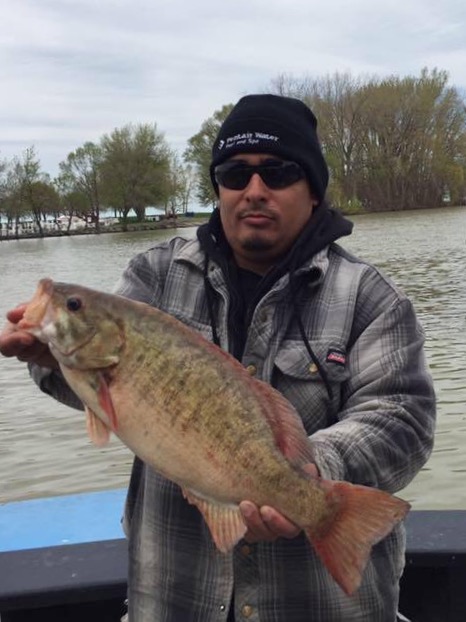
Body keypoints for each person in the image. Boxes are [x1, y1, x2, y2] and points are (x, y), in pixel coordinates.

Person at [0, 94, 436, 621]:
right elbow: (101, 391)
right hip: (176, 600)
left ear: (314, 192)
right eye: (235, 174)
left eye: (277, 173)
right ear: (219, 187)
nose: (254, 190)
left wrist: (309, 475)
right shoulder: (153, 277)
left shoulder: (372, 298)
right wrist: (46, 356)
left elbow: (402, 421)